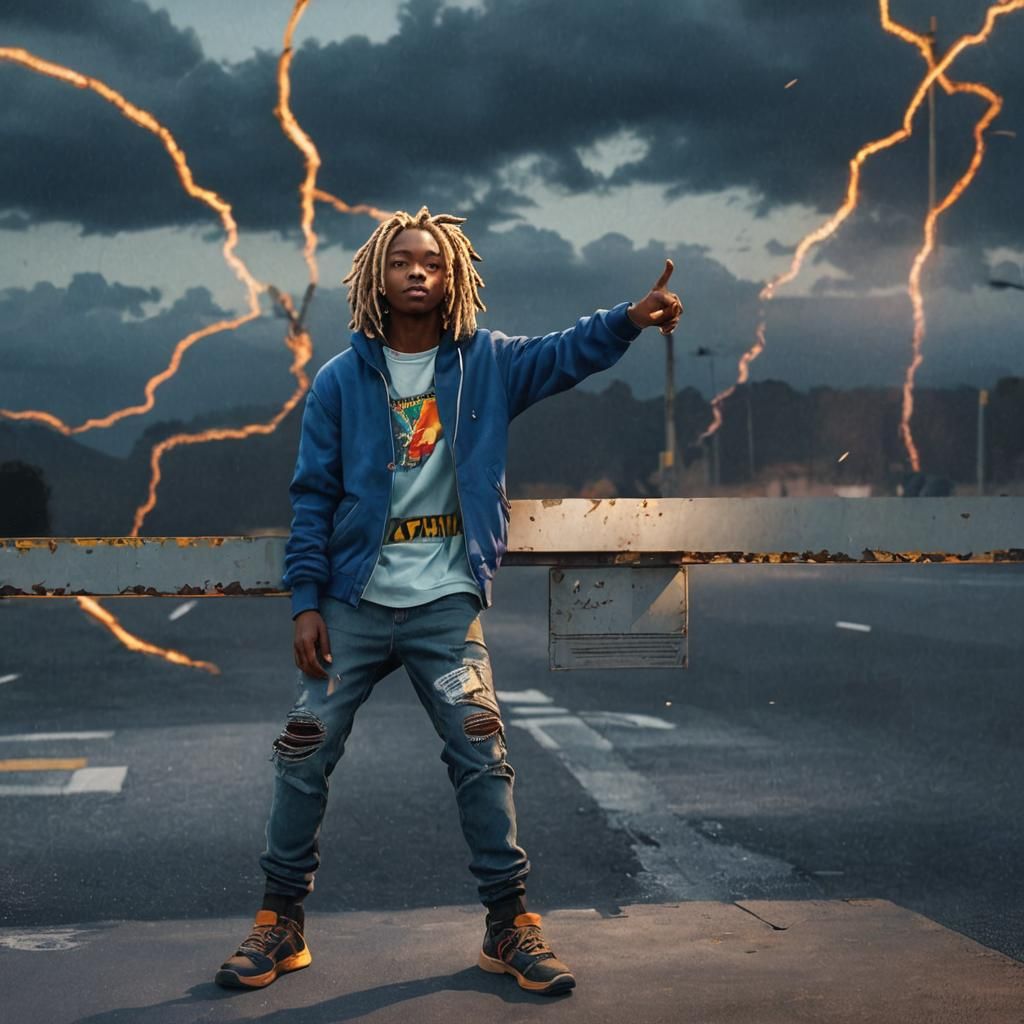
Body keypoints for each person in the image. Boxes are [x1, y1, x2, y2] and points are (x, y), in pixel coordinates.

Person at [215, 207, 683, 996]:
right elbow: (312, 497)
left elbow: (566, 355)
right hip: (353, 604)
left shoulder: (488, 364)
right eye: (402, 261)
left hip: (444, 604)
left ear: (454, 273)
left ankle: (510, 925)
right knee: (303, 751)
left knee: (481, 754)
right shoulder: (338, 381)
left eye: (432, 259)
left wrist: (629, 318)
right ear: (377, 277)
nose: (418, 270)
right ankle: (279, 922)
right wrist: (306, 600)